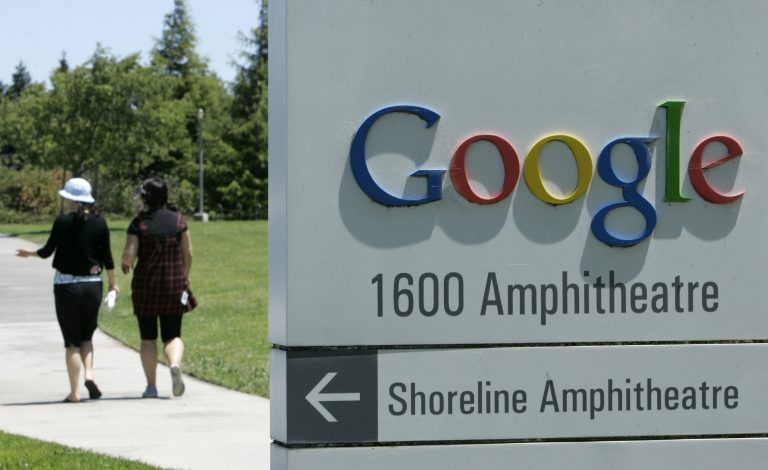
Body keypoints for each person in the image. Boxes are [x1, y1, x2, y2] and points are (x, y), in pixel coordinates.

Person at [16, 177, 117, 403]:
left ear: (72, 200)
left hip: (67, 287)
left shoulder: (62, 222)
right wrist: (113, 284)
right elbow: (108, 259)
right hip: (93, 285)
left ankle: (74, 393)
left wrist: (28, 253)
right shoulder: (101, 223)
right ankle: (89, 374)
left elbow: (46, 251)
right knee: (87, 336)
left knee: (71, 342)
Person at [121, 177, 193, 398]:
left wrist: (126, 265)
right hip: (174, 284)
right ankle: (174, 364)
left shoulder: (139, 223)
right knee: (173, 334)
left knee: (148, 336)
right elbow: (188, 254)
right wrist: (184, 277)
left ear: (146, 197)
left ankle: (151, 387)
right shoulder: (179, 221)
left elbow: (128, 256)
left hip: (146, 287)